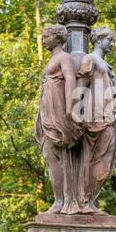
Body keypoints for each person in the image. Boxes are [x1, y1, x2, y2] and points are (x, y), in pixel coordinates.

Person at [34, 24, 83, 214]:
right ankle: (60, 200)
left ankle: (63, 201)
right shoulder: (53, 59)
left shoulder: (64, 57)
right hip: (47, 108)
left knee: (55, 153)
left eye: (47, 36)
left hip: (57, 108)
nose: (44, 39)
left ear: (57, 37)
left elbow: (70, 78)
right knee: (49, 153)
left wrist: (71, 107)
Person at [76, 27, 116, 214]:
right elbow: (80, 86)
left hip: (108, 117)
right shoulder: (90, 59)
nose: (112, 43)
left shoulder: (102, 63)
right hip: (96, 117)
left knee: (107, 159)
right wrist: (75, 111)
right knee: (95, 159)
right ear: (99, 40)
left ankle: (89, 200)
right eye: (110, 39)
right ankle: (85, 201)